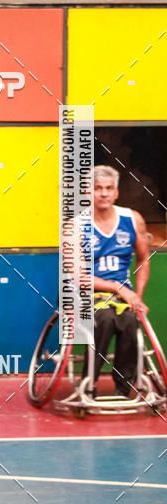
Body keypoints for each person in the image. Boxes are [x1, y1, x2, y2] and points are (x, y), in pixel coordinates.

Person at [92, 165, 150, 396]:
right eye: (97, 188)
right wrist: (119, 288)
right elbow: (76, 275)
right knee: (104, 319)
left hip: (121, 295)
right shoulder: (75, 226)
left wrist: (138, 295)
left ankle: (124, 386)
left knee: (129, 322)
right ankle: (89, 382)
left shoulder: (132, 219)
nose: (104, 193)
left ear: (116, 192)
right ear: (88, 192)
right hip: (85, 294)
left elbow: (143, 259)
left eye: (108, 188)